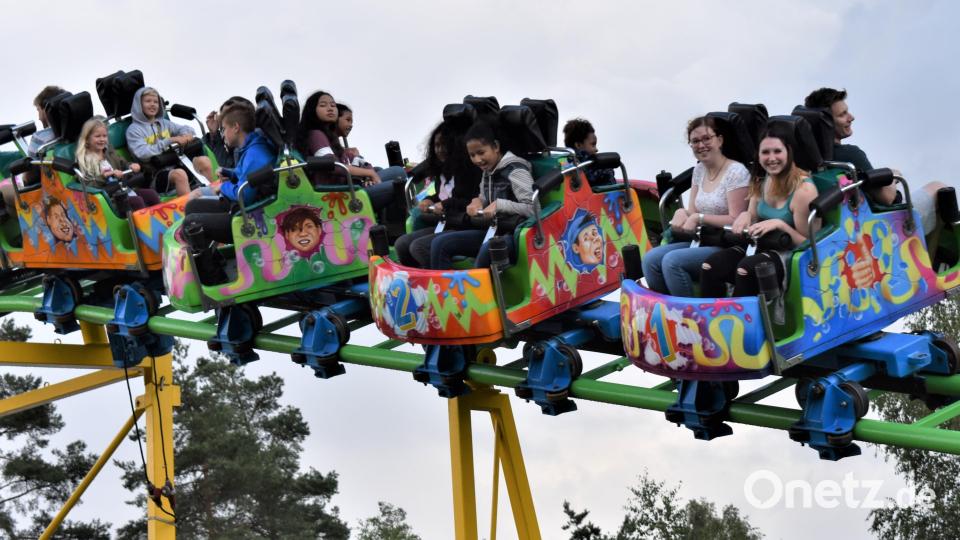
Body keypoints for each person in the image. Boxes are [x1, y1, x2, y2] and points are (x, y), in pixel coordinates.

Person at [805, 87, 945, 234]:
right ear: (826, 123)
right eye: (842, 114)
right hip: (885, 225)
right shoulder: (850, 156)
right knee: (938, 187)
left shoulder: (809, 160)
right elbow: (887, 198)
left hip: (848, 229)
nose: (851, 117)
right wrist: (894, 176)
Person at [699, 131, 818, 297]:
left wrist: (780, 225)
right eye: (765, 152)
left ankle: (743, 321)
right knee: (711, 266)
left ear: (789, 153)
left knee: (746, 270)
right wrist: (746, 215)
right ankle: (711, 318)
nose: (771, 158)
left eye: (777, 151)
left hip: (789, 253)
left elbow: (809, 244)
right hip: (759, 244)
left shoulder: (804, 191)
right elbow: (752, 214)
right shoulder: (762, 179)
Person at [641, 116, 751, 296]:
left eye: (707, 139)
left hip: (727, 242)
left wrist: (699, 218)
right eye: (695, 141)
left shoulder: (736, 172)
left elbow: (735, 219)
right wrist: (681, 212)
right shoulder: (699, 170)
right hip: (702, 237)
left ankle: (687, 315)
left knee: (672, 262)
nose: (701, 145)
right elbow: (692, 211)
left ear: (720, 140)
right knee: (650, 260)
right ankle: (666, 310)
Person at [183, 103, 278, 283]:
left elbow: (245, 195)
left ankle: (216, 282)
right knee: (193, 205)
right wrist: (229, 173)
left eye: (224, 128)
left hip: (255, 217)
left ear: (236, 128)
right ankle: (216, 261)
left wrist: (224, 187)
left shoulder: (255, 153)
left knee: (191, 223)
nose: (223, 133)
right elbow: (246, 176)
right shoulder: (251, 147)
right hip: (248, 207)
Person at [428, 121, 534, 269]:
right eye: (472, 155)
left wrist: (499, 205)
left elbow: (533, 208)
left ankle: (478, 291)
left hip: (514, 235)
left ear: (496, 147)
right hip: (493, 229)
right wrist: (477, 201)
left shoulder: (516, 170)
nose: (477, 159)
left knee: (488, 250)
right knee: (439, 243)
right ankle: (443, 290)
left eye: (481, 153)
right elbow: (484, 198)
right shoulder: (487, 170)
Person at [295, 91, 404, 212]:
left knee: (398, 171)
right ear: (312, 111)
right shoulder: (316, 135)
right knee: (400, 182)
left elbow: (349, 160)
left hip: (349, 185)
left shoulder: (330, 137)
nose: (330, 109)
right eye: (323, 105)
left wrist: (367, 174)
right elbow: (335, 166)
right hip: (340, 195)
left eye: (332, 105)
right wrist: (369, 174)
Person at [393, 121, 480, 267]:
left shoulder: (469, 170)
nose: (440, 150)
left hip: (464, 224)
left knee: (419, 247)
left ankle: (437, 286)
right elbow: (442, 196)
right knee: (401, 244)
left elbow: (470, 200)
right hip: (447, 222)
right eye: (437, 146)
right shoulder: (442, 170)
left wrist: (445, 204)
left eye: (444, 145)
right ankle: (416, 283)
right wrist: (429, 200)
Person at [126, 87, 214, 196]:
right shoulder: (133, 130)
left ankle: (215, 197)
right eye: (148, 101)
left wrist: (186, 136)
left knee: (204, 161)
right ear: (139, 105)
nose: (153, 104)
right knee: (180, 174)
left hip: (176, 163)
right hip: (154, 175)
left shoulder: (163, 123)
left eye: (156, 102)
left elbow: (188, 129)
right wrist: (169, 141)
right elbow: (142, 153)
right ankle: (192, 209)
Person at [0, 86, 65, 213]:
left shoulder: (40, 138)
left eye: (38, 110)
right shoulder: (84, 131)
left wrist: (23, 180)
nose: (39, 117)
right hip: (65, 185)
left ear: (47, 110)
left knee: (3, 190)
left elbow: (28, 177)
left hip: (46, 193)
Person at [75, 117, 160, 211]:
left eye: (104, 136)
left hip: (124, 189)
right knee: (136, 202)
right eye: (97, 136)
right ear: (87, 139)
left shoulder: (109, 151)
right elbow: (88, 187)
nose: (102, 139)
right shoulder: (84, 160)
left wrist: (130, 166)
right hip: (110, 199)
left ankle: (162, 222)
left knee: (151, 195)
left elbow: (124, 163)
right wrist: (104, 176)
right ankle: (144, 225)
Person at [203, 96, 254, 168]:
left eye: (224, 128)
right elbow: (225, 166)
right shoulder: (237, 150)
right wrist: (214, 134)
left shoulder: (252, 150)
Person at [562, 118, 615, 186]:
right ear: (578, 145)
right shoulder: (585, 162)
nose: (596, 149)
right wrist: (608, 167)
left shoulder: (565, 161)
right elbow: (592, 175)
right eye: (593, 144)